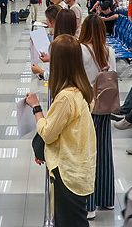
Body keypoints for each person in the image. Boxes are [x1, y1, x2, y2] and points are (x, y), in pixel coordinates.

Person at [25, 35, 96, 227]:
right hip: (80, 166)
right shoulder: (82, 88)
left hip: (68, 173)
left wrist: (36, 108)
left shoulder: (66, 97)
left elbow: (48, 133)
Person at [78, 15, 117, 217]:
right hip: (105, 106)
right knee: (104, 150)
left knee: (87, 154)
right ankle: (107, 199)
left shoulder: (81, 50)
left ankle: (89, 205)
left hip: (86, 107)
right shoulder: (109, 51)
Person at [32, 8, 76, 78]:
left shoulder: (58, 45)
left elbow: (52, 75)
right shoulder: (77, 44)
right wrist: (51, 58)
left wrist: (39, 71)